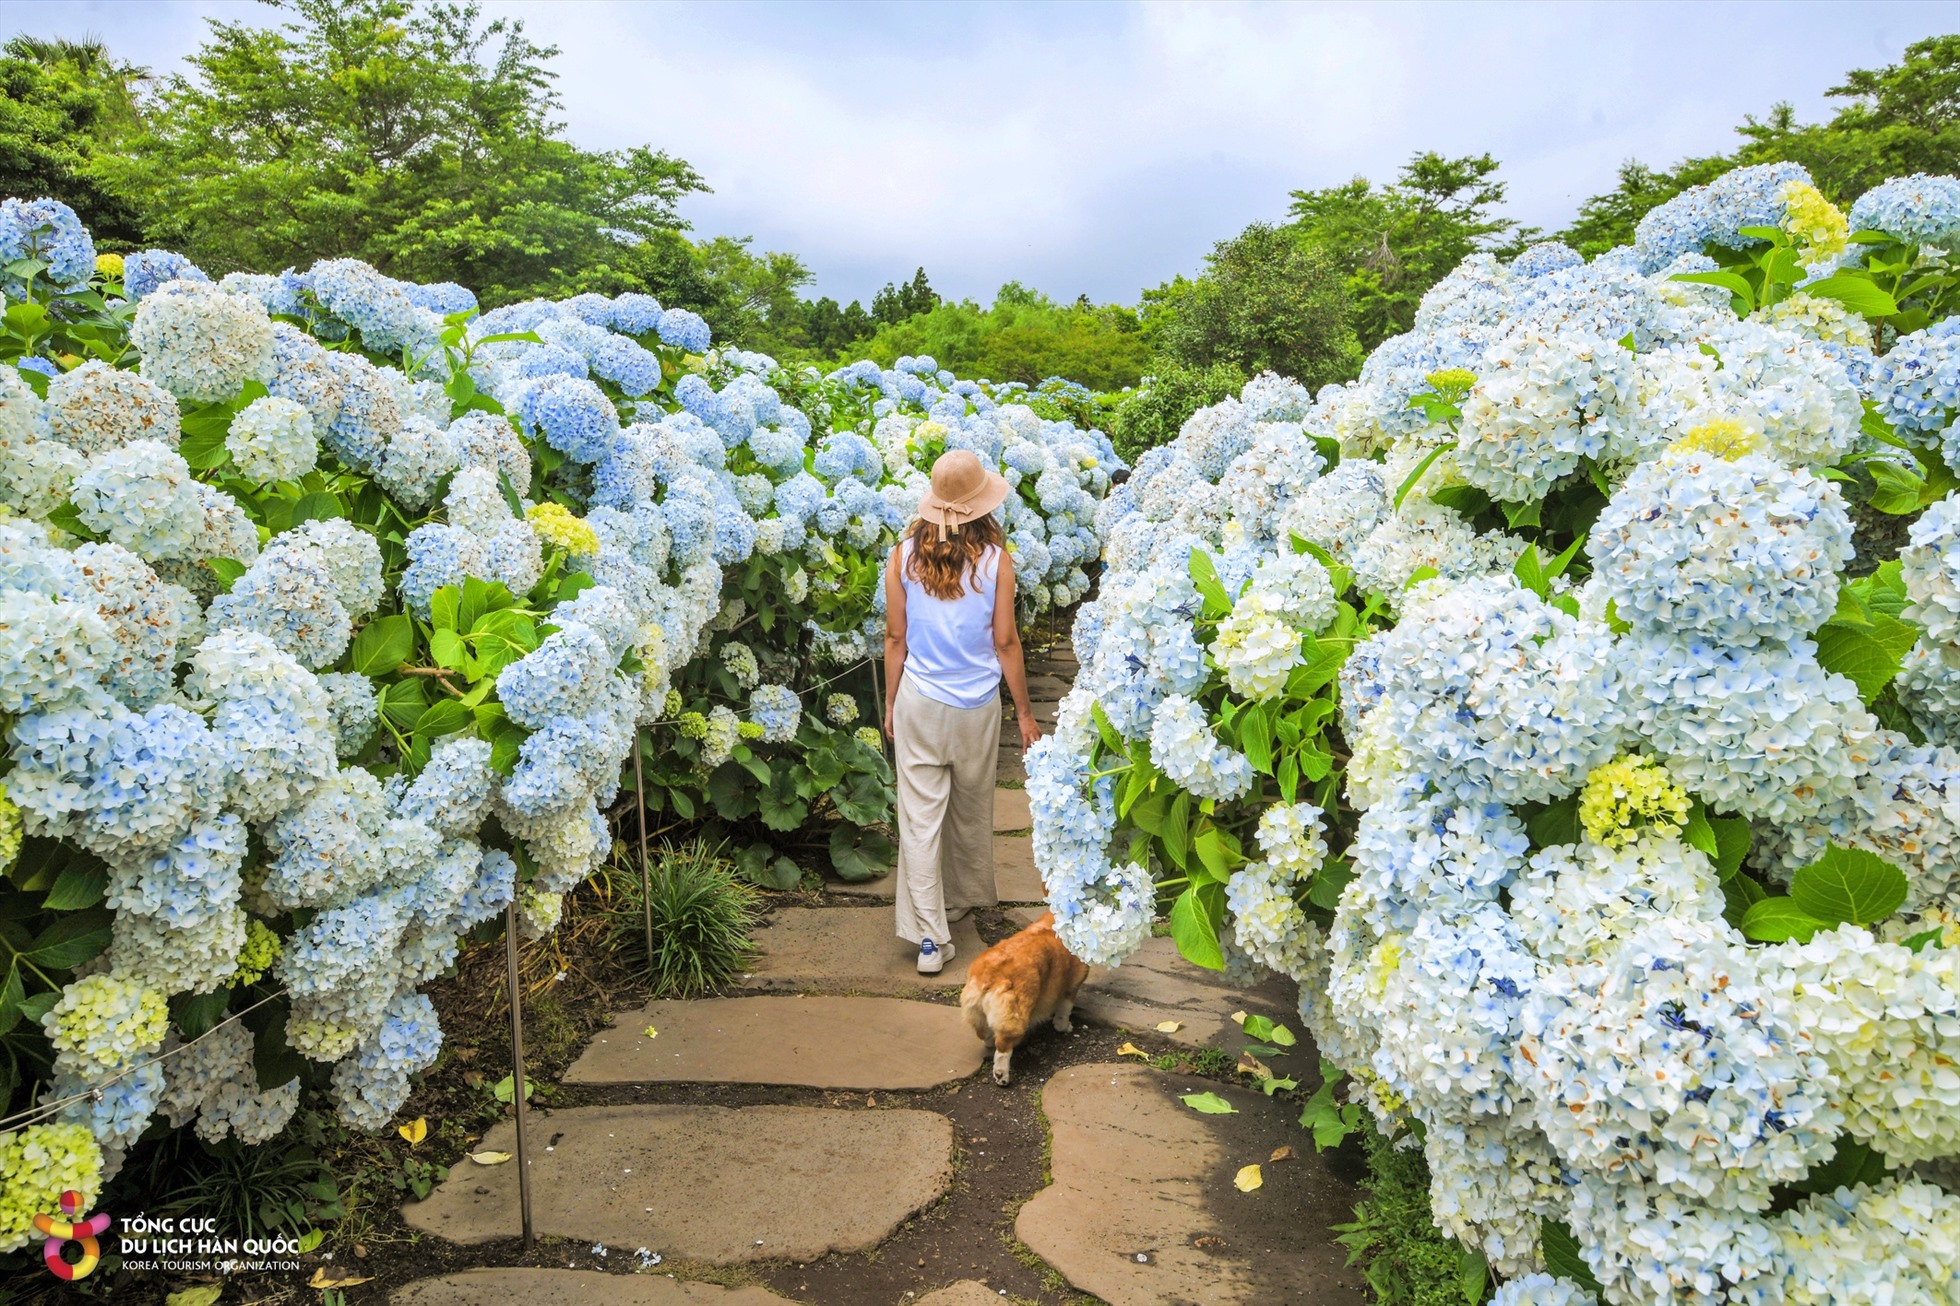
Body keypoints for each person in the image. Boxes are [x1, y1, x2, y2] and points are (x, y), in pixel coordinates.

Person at [883, 449, 1042, 973]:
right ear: (981, 507)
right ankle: (958, 901)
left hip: (920, 702)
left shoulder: (902, 556)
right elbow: (1006, 643)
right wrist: (1024, 713)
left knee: (920, 820)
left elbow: (895, 638)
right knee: (970, 811)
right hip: (976, 707)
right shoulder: (998, 561)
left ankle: (930, 937)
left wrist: (889, 702)